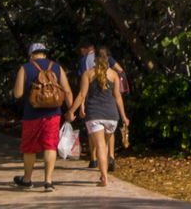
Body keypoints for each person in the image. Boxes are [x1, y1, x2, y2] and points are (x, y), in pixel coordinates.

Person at [11, 43, 70, 191]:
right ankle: (48, 182)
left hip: (31, 114)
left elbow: (17, 94)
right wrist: (71, 111)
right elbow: (67, 91)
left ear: (31, 55)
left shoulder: (25, 68)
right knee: (50, 146)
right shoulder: (57, 67)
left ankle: (27, 179)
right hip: (53, 114)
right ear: (45, 54)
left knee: (29, 148)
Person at [67, 46, 129, 188]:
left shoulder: (88, 74)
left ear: (95, 60)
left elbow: (82, 95)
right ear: (108, 59)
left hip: (95, 115)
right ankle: (103, 174)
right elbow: (118, 97)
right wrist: (124, 116)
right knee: (105, 146)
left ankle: (104, 178)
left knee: (100, 146)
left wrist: (72, 111)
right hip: (112, 115)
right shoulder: (113, 75)